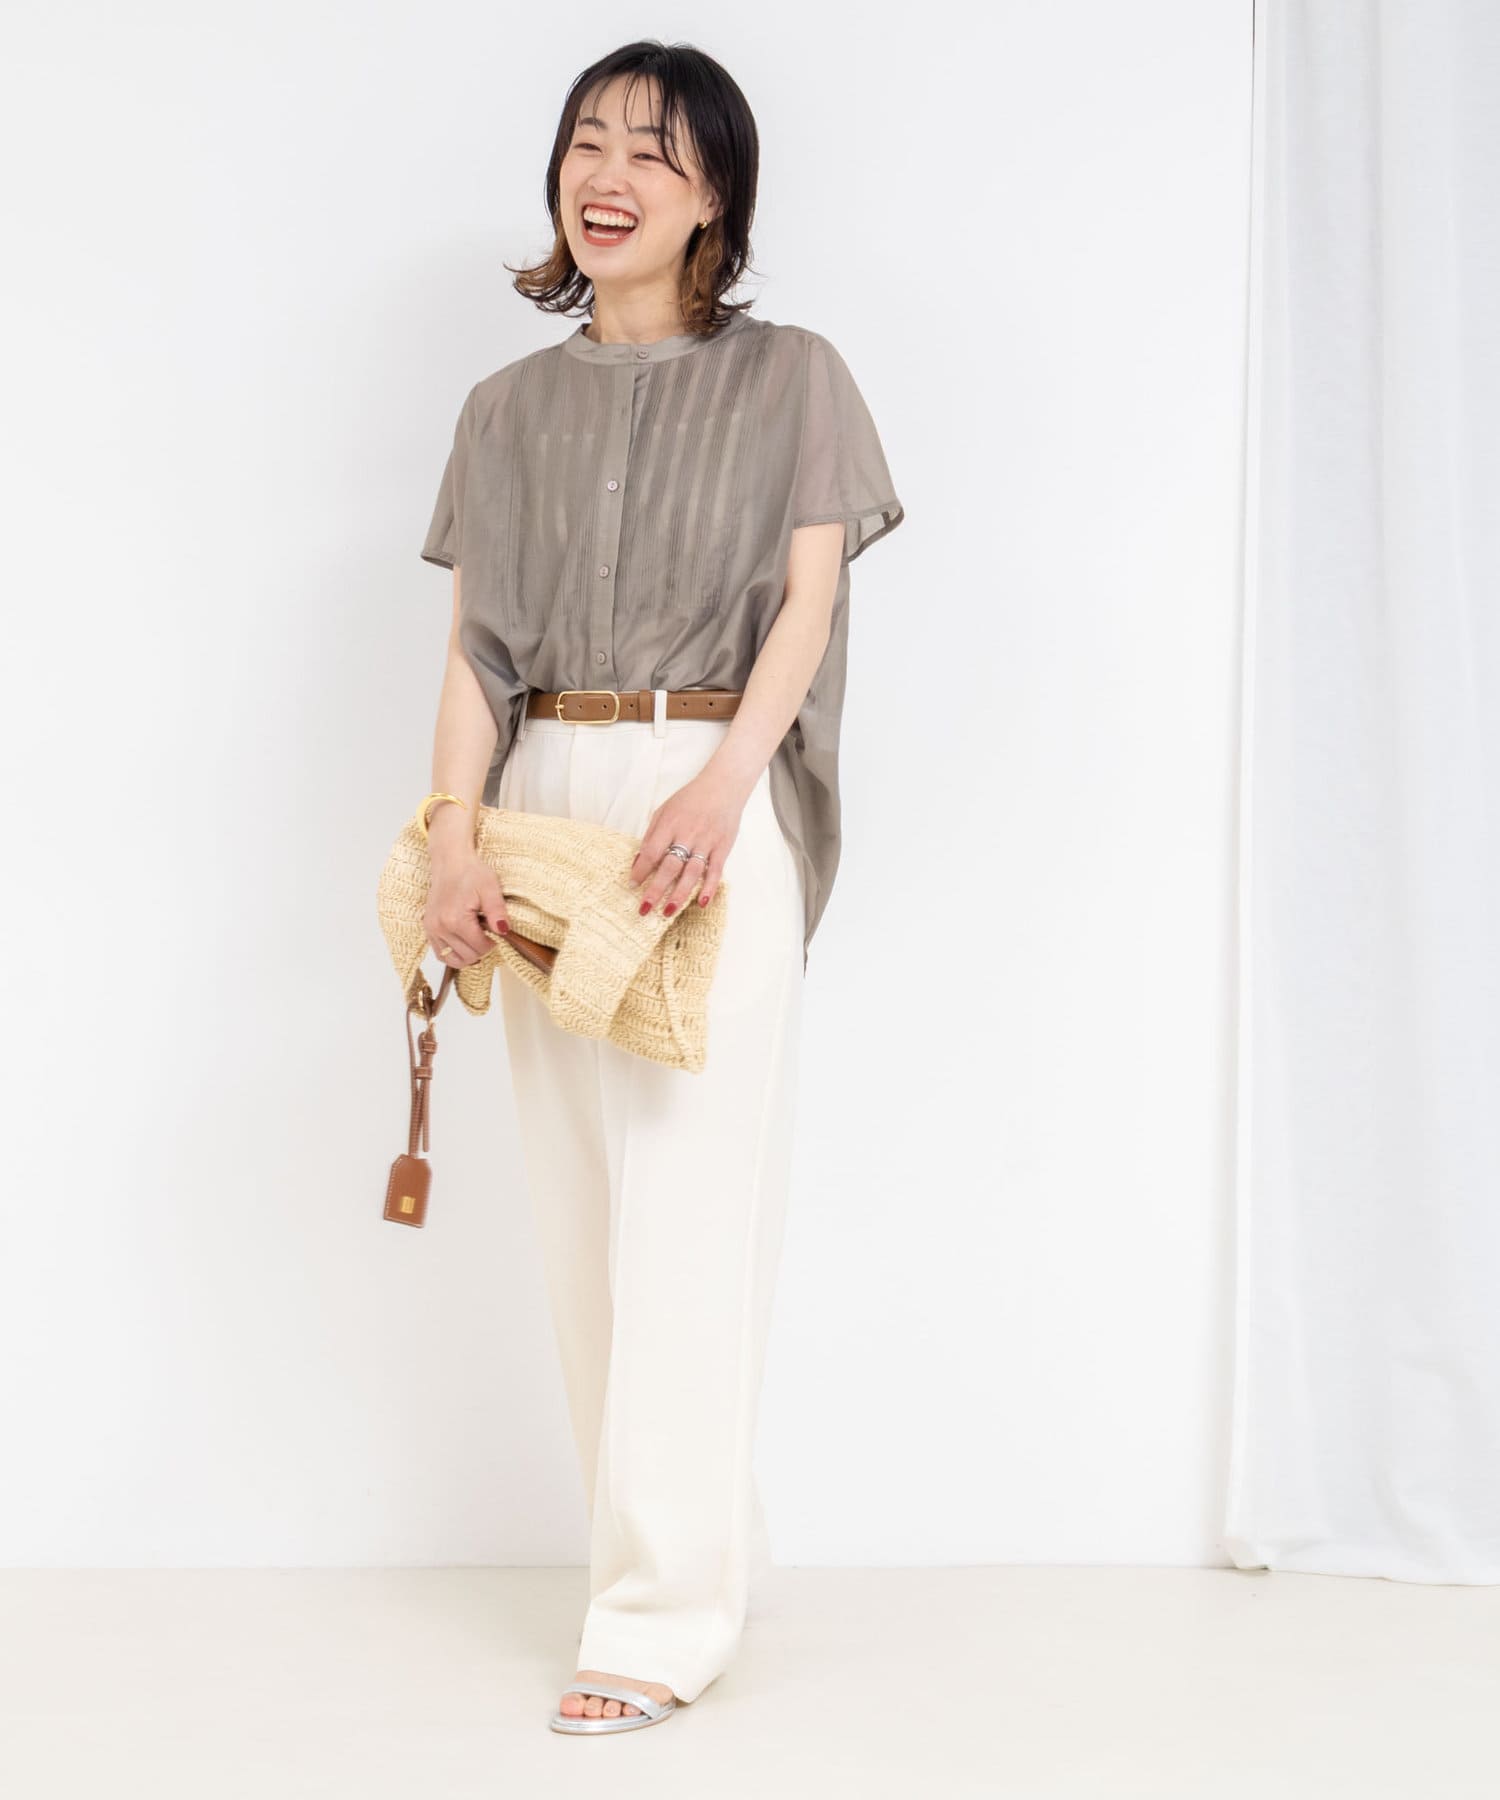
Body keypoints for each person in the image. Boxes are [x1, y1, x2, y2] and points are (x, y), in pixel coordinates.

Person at [414, 39, 905, 1734]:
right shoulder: (504, 410)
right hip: (542, 802)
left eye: (652, 152)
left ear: (716, 200)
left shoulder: (797, 378)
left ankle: (659, 1620)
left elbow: (807, 610)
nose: (607, 177)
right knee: (583, 1218)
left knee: (693, 1198)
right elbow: (477, 653)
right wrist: (454, 835)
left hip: (707, 791)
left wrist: (722, 782)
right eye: (587, 143)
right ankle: (693, 1551)